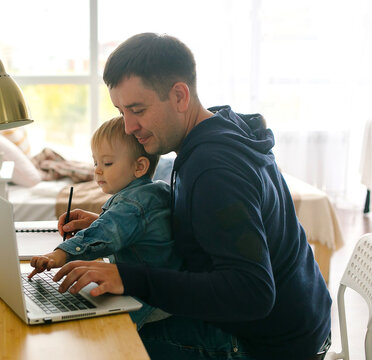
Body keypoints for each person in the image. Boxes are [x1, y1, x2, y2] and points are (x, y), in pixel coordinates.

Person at [52, 33, 332, 360]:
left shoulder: (215, 171)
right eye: (121, 111)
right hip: (298, 321)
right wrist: (112, 223)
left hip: (271, 343)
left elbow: (252, 293)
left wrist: (127, 278)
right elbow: (202, 226)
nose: (128, 127)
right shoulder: (214, 129)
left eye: (137, 110)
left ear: (180, 96)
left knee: (104, 338)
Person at [28, 115, 182, 329]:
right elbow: (124, 228)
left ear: (139, 167)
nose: (97, 170)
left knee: (96, 332)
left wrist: (57, 255)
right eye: (95, 162)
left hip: (150, 301)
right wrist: (100, 219)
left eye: (107, 163)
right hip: (162, 287)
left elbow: (104, 232)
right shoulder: (152, 192)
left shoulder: (133, 203)